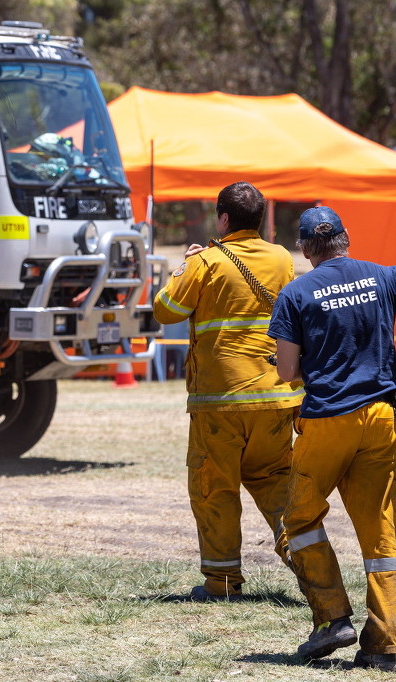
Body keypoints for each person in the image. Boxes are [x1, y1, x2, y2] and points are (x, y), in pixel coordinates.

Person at [268, 206, 396, 671]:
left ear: (306, 248)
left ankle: (332, 619)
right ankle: (382, 645)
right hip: (382, 417)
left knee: (298, 520)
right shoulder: (382, 276)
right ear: (346, 239)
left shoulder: (295, 293)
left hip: (329, 420)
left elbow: (288, 372)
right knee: (380, 531)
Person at [152, 181, 304, 600]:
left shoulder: (206, 261)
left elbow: (165, 310)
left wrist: (183, 266)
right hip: (276, 397)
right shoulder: (282, 259)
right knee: (278, 485)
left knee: (214, 487)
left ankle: (222, 583)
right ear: (260, 219)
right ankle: (311, 567)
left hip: (219, 403)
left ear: (223, 219)